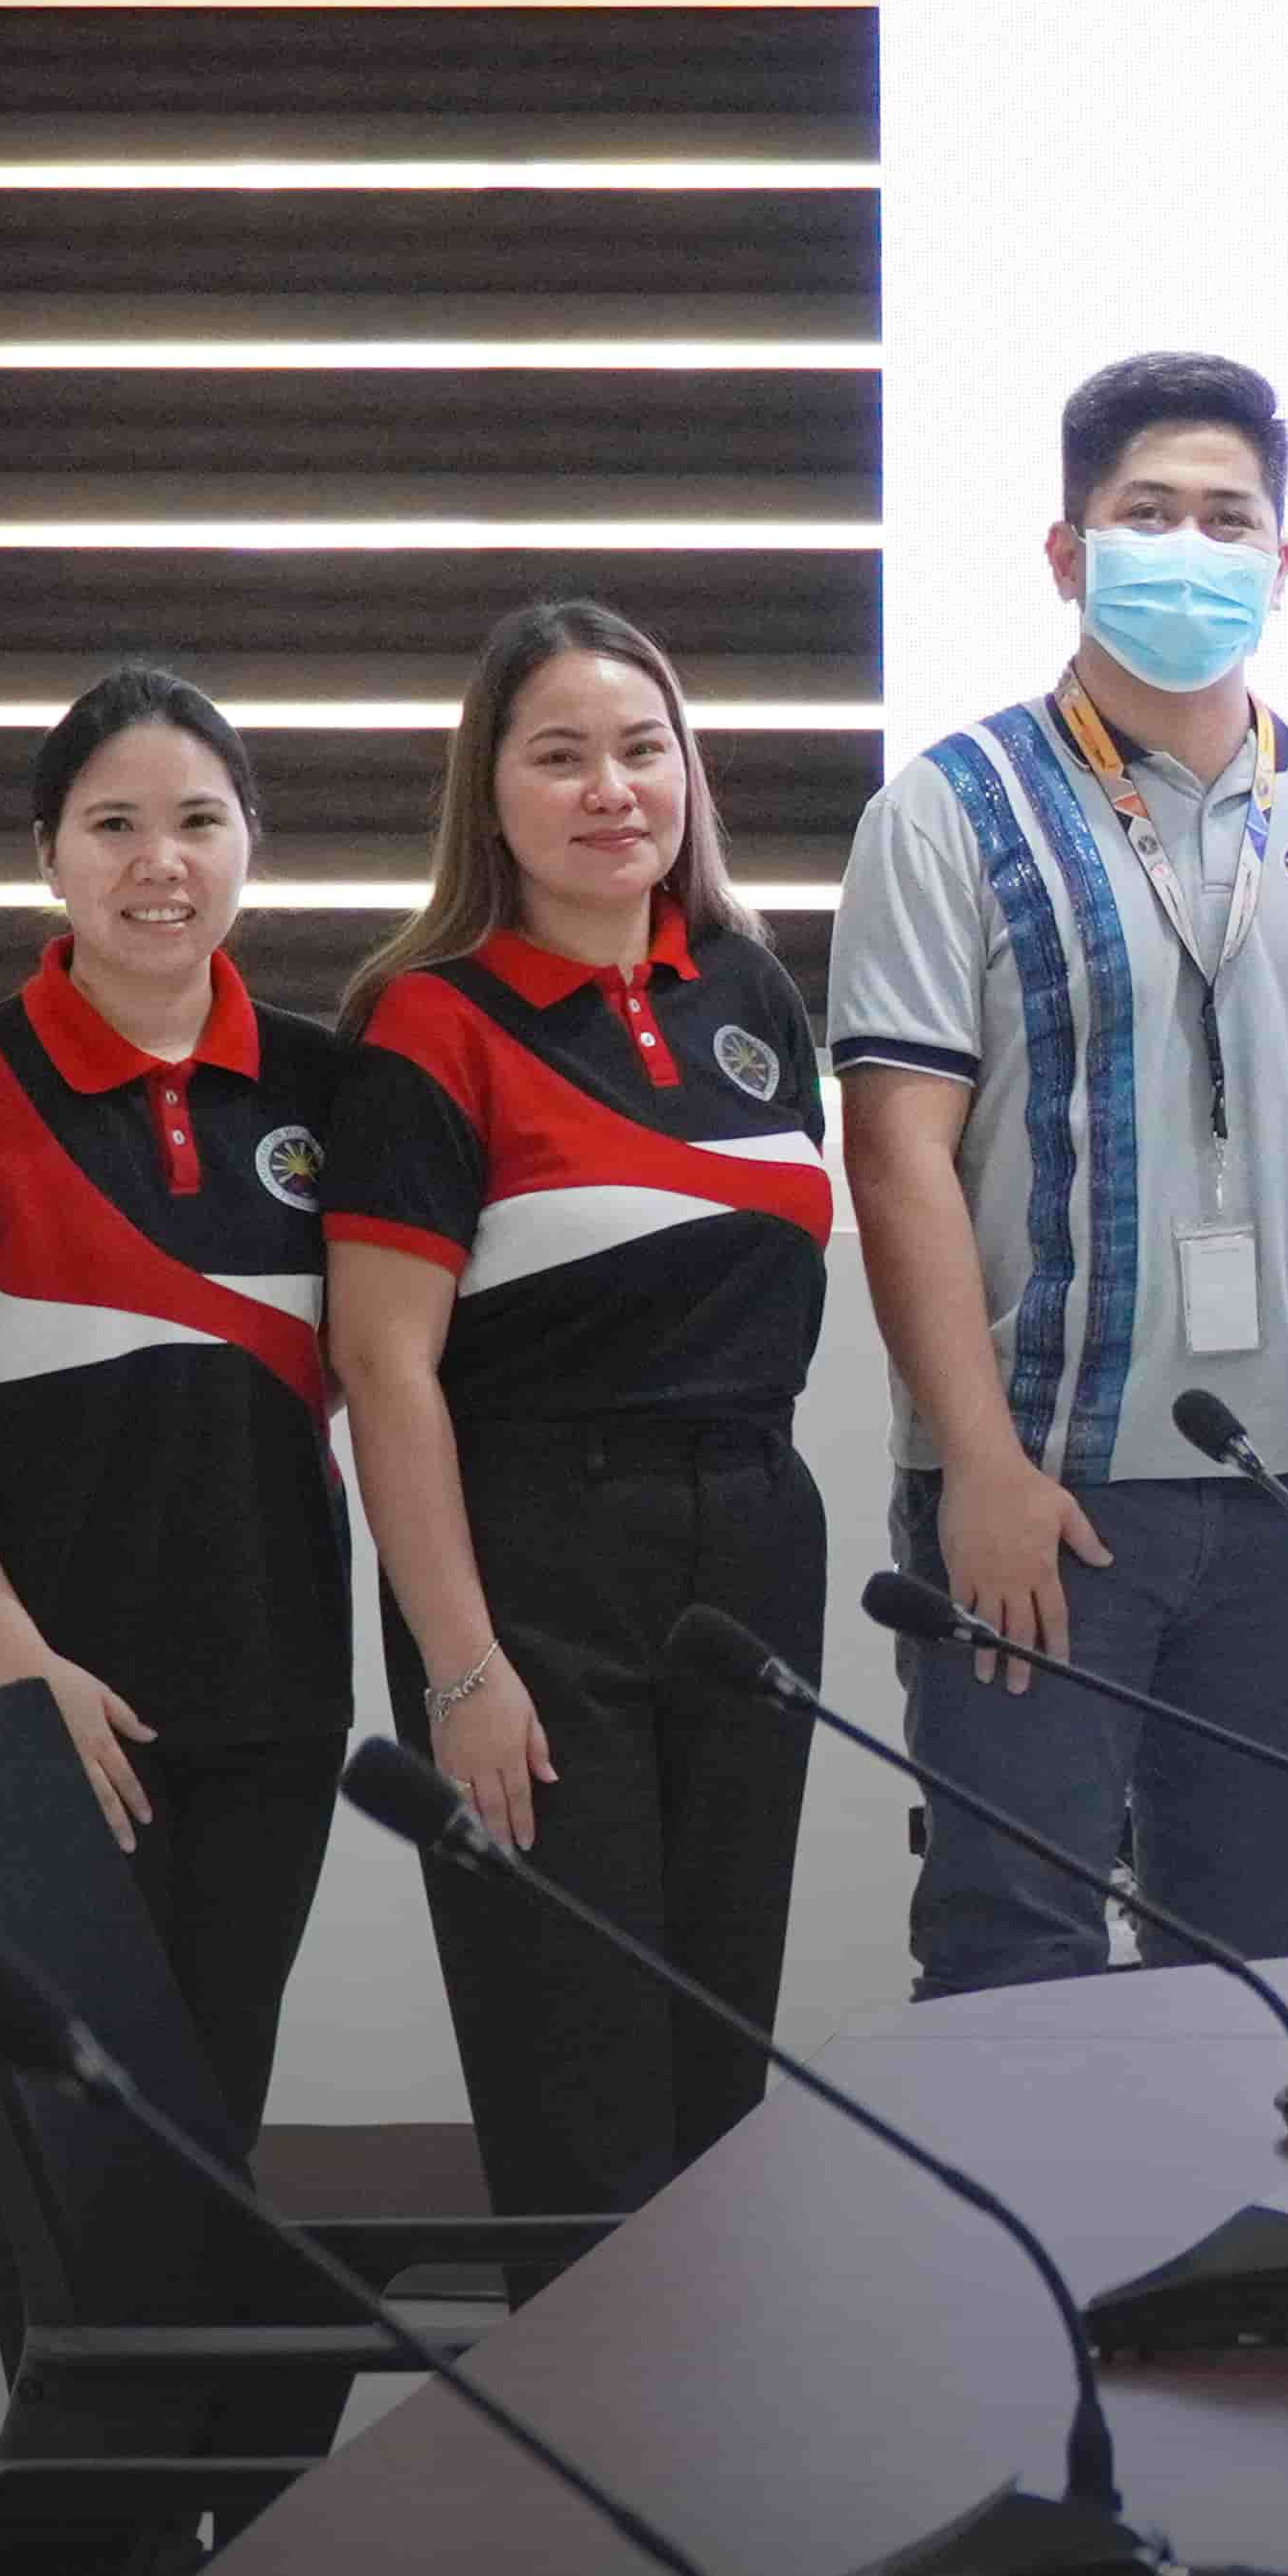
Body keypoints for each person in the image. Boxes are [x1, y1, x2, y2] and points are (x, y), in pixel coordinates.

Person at [828, 351, 1288, 1993]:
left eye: (1227, 518)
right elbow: (898, 1153)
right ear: (1068, 552)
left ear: (1281, 559)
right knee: (1012, 1952)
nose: (1191, 547)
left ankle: (1242, 2261)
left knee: (1259, 1969)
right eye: (1148, 514)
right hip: (1044, 1495)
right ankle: (1026, 2269)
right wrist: (975, 1465)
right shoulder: (948, 811)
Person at [323, 603, 833, 2212]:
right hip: (538, 1568)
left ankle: (708, 2454)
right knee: (583, 2077)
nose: (612, 788)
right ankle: (580, 2457)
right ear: (491, 795)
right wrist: (462, 1665)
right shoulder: (429, 1023)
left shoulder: (748, 989)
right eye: (561, 757)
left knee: (715, 2059)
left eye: (643, 748)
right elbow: (383, 1369)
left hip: (752, 1539)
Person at [0, 669, 349, 2130]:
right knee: (65, 2155)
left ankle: (232, 2379)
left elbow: (397, 1365)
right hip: (25, 1701)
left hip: (271, 1691)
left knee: (214, 2118)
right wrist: (19, 1666)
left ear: (252, 841)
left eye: (196, 820)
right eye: (111, 824)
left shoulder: (329, 1085)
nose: (157, 863)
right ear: (46, 854)